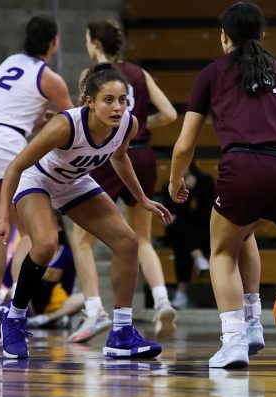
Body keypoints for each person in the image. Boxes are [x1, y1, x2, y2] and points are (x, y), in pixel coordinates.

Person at [168, 2, 276, 368]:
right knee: (241, 234)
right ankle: (254, 322)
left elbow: (184, 144)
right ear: (262, 35)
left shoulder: (211, 73)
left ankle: (233, 340)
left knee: (221, 251)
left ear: (224, 37)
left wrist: (175, 179)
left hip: (248, 166)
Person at [0, 63, 172, 360]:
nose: (117, 107)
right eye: (108, 100)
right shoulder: (65, 125)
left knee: (128, 242)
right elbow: (16, 166)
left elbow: (120, 157)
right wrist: (3, 219)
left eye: (122, 100)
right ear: (90, 102)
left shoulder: (128, 124)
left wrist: (142, 198)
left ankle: (122, 333)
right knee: (46, 245)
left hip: (74, 182)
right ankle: (15, 317)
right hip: (37, 179)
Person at [0, 15, 73, 335]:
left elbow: (11, 111)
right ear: (54, 42)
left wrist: (39, 121)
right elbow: (71, 125)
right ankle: (12, 304)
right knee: (32, 235)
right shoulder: (51, 79)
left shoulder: (8, 62)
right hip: (2, 146)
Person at [69, 19, 179, 342]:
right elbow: (171, 114)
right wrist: (141, 123)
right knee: (142, 238)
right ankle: (162, 301)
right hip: (143, 154)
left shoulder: (92, 79)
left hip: (109, 156)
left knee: (81, 240)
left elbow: (84, 124)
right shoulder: (139, 74)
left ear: (94, 44)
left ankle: (94, 310)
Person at [5, 209, 85, 329]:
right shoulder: (26, 247)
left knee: (83, 298)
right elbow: (8, 279)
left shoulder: (67, 253)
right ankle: (21, 317)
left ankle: (47, 319)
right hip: (29, 301)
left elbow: (69, 282)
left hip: (53, 303)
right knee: (13, 292)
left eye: (50, 224)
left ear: (60, 227)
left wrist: (58, 301)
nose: (45, 228)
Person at [161, 162, 215, 310]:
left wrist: (193, 191)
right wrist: (186, 193)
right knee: (178, 226)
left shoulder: (205, 181)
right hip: (182, 231)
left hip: (203, 230)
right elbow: (173, 214)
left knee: (182, 242)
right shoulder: (168, 186)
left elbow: (208, 213)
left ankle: (181, 295)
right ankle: (198, 258)